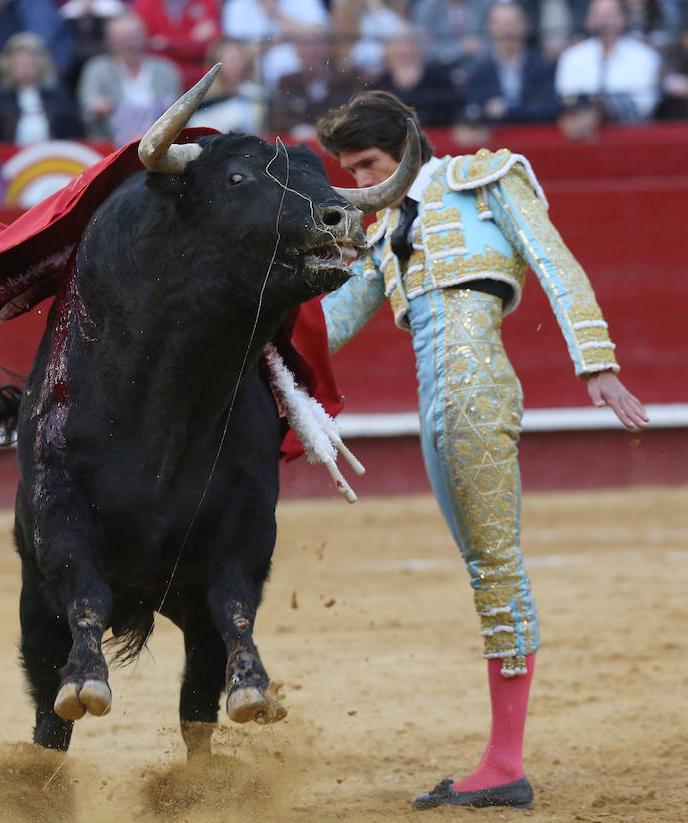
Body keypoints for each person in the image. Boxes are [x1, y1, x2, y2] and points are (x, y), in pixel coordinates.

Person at [315, 90, 648, 810]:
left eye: (369, 163)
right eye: (350, 170)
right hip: (433, 405)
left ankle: (505, 764)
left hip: (476, 393)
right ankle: (501, 759)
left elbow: (553, 261)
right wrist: (255, 350)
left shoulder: (486, 177)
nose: (363, 181)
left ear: (407, 142)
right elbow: (332, 323)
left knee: (497, 565)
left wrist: (597, 362)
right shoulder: (380, 230)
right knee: (481, 565)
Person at [76, 12, 182, 144]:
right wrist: (99, 106)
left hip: (159, 143)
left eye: (134, 37)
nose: (129, 43)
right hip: (110, 146)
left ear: (145, 38)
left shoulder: (165, 69)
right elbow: (87, 105)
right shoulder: (97, 69)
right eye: (122, 38)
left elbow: (178, 110)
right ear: (110, 42)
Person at [555, 0, 662, 130]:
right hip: (580, 132)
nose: (605, 21)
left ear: (624, 18)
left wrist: (605, 109)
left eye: (611, 14)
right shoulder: (572, 57)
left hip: (631, 132)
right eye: (599, 15)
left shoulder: (645, 56)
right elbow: (566, 97)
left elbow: (646, 103)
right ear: (588, 19)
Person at [462, 1, 560, 125]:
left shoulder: (543, 66)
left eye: (513, 23)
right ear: (490, 28)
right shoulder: (478, 70)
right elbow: (474, 109)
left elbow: (549, 108)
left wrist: (506, 110)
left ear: (526, 26)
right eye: (501, 24)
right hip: (495, 140)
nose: (508, 30)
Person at [0, 32, 83, 144]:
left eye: (29, 63)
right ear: (8, 66)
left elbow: (70, 133)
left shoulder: (56, 95)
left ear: (40, 64)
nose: (25, 69)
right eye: (20, 64)